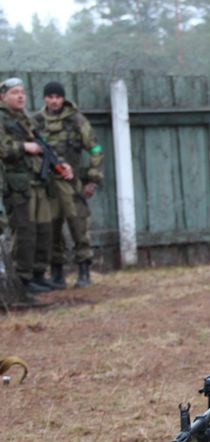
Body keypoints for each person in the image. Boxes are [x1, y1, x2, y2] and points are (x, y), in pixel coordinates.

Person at [0, 78, 72, 294]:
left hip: (38, 182)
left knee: (44, 230)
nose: (20, 96)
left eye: (22, 92)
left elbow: (43, 146)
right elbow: (3, 149)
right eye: (14, 92)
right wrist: (24, 146)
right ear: (3, 97)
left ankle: (39, 273)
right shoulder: (3, 119)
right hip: (17, 184)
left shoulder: (25, 119)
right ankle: (23, 277)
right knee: (24, 231)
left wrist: (60, 164)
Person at [32, 81, 104, 289]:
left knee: (78, 225)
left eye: (58, 97)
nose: (54, 101)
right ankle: (56, 273)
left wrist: (92, 179)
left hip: (73, 182)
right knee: (51, 228)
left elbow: (95, 149)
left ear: (63, 98)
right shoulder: (36, 121)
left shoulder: (76, 120)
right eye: (50, 97)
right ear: (44, 98)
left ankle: (84, 271)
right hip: (47, 184)